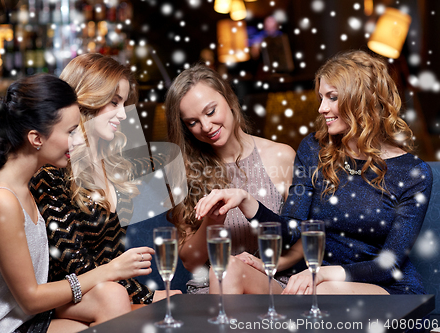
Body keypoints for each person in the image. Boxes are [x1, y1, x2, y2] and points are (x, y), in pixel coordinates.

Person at [194, 50, 433, 295]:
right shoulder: (314, 149)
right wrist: (246, 200)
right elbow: (290, 232)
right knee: (226, 269)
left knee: (324, 292)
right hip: (313, 284)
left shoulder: (414, 173)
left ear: (362, 99)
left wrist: (323, 274)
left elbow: (389, 264)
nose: (321, 108)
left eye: (332, 97)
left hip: (383, 288)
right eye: (321, 97)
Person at [0, 74, 153, 333]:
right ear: (36, 139)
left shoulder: (29, 181)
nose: (79, 140)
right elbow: (31, 298)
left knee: (112, 297)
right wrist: (111, 270)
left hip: (24, 317)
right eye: (71, 131)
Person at [30, 53, 176, 306]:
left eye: (125, 104)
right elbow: (73, 264)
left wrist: (148, 295)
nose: (123, 114)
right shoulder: (52, 171)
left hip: (111, 291)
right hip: (67, 297)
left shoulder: (114, 162)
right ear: (87, 99)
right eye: (114, 102)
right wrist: (148, 298)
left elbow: (111, 260)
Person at [164, 63, 299, 294]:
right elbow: (190, 262)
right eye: (193, 122)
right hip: (209, 289)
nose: (206, 126)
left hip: (271, 284)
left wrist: (270, 266)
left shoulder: (281, 156)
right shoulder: (185, 171)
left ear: (229, 98)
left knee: (228, 269)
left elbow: (305, 236)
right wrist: (213, 222)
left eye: (210, 111)